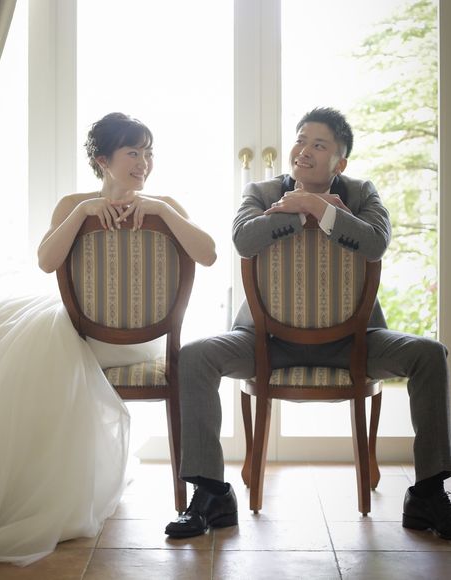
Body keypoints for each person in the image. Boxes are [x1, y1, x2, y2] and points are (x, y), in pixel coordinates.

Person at [0, 112, 216, 565]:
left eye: (148, 153)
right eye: (133, 152)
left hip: (143, 339)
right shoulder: (74, 204)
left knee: (34, 350)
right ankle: (8, 489)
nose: (143, 163)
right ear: (103, 160)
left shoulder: (164, 204)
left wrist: (163, 211)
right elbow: (46, 262)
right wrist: (82, 213)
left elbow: (208, 254)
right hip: (83, 332)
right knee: (8, 346)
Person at [165, 106, 451, 541]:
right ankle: (210, 495)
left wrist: (319, 206)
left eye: (319, 145)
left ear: (340, 162)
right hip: (265, 341)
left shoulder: (362, 193)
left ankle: (428, 495)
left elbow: (375, 244)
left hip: (355, 342)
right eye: (300, 140)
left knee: (430, 355)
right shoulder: (260, 192)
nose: (304, 150)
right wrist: (303, 211)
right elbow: (244, 239)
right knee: (195, 356)